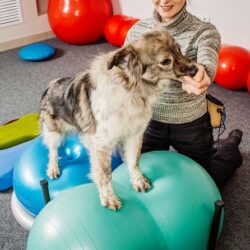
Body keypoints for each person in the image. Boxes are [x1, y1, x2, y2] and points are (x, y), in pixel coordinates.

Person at [124, 0, 243, 189]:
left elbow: (207, 60)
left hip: (191, 125)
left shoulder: (204, 31)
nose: (164, 1)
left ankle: (229, 147)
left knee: (206, 186)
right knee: (138, 179)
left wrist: (200, 74)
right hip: (148, 122)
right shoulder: (138, 31)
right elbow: (126, 76)